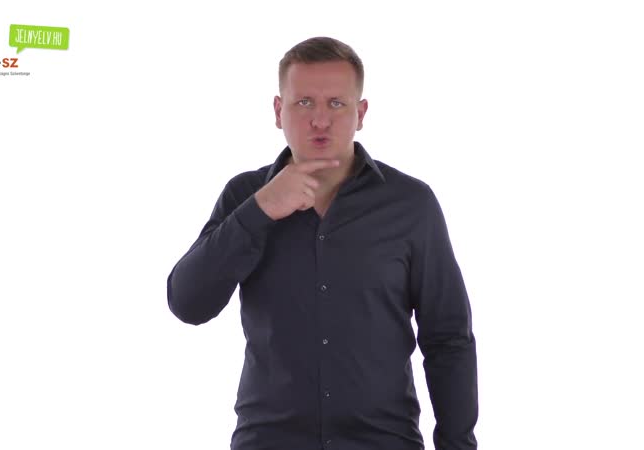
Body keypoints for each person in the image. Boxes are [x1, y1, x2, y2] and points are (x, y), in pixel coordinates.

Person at [166, 36, 478, 450]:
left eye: (335, 103)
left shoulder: (411, 204)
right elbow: (188, 304)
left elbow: (448, 338)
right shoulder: (245, 196)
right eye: (304, 103)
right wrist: (260, 210)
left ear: (360, 113)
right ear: (278, 111)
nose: (320, 120)